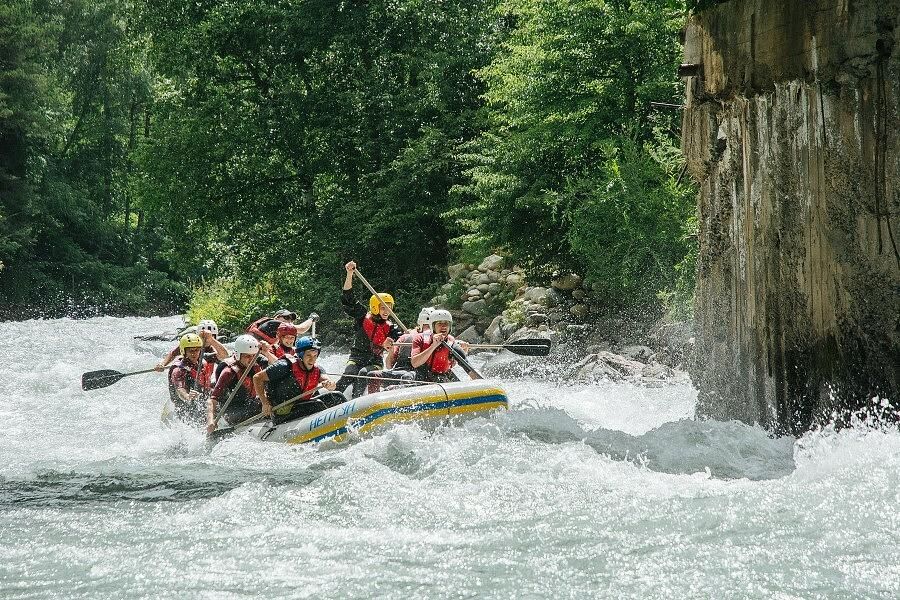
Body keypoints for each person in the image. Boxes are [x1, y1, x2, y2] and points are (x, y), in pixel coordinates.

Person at [336, 260, 403, 398]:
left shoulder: (392, 327)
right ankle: (331, 399)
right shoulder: (362, 316)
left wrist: (392, 345)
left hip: (375, 362)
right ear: (375, 307)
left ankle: (357, 402)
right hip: (356, 357)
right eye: (383, 307)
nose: (387, 311)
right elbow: (348, 299)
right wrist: (349, 274)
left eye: (389, 307)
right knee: (350, 373)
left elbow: (402, 340)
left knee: (363, 374)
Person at [253, 336, 337, 423]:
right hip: (282, 412)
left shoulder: (318, 369)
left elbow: (328, 381)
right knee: (316, 405)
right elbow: (257, 378)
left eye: (315, 355)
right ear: (301, 354)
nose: (312, 359)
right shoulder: (284, 366)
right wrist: (265, 403)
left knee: (336, 396)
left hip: (302, 405)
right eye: (308, 355)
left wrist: (330, 384)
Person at [206, 334, 269, 433]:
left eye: (253, 356)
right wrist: (210, 421)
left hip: (248, 403)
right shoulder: (228, 372)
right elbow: (212, 400)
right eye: (247, 356)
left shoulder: (255, 365)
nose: (251, 359)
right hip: (232, 412)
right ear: (238, 355)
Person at [410, 309, 470, 383]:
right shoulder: (420, 338)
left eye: (446, 323)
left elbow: (463, 366)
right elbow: (414, 363)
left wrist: (465, 351)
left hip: (444, 375)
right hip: (423, 376)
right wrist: (433, 346)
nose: (444, 326)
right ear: (433, 326)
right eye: (439, 323)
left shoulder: (451, 342)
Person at [156, 319, 228, 373]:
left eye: (210, 336)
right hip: (186, 376)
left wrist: (211, 339)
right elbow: (173, 353)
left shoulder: (214, 350)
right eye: (203, 336)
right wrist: (163, 364)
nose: (206, 339)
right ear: (198, 335)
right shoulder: (189, 344)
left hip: (204, 380)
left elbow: (225, 356)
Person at [168, 333, 210, 424]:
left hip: (199, 399)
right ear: (184, 351)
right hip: (183, 405)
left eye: (197, 350)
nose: (194, 353)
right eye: (191, 351)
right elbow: (179, 389)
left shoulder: (202, 362)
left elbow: (223, 356)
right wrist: (187, 396)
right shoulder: (178, 370)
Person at [247, 310, 315, 345]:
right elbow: (302, 329)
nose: (289, 321)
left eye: (291, 319)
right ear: (276, 317)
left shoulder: (281, 335)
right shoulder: (272, 323)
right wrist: (311, 319)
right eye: (286, 317)